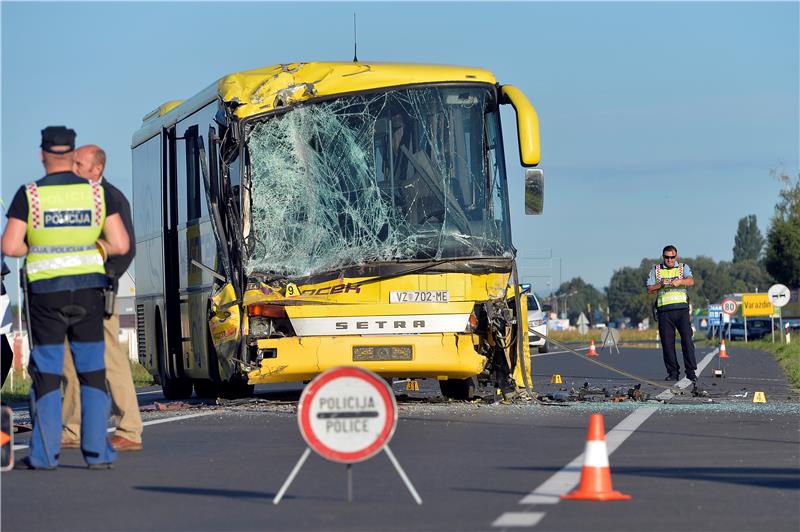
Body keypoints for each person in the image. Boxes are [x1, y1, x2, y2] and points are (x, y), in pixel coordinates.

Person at [2, 126, 129, 469]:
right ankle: (96, 452)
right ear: (73, 155)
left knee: (47, 372)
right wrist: (92, 248)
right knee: (92, 370)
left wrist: (37, 246)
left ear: (42, 155)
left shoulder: (30, 195)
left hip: (46, 296)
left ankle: (44, 455)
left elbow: (10, 246)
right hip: (88, 293)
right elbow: (120, 244)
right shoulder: (98, 195)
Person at [60, 145, 142, 452]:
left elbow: (126, 248)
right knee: (69, 362)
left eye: (79, 163)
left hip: (96, 293)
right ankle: (72, 429)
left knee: (109, 360)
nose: (73, 167)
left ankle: (130, 429)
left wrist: (104, 280)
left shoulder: (111, 198)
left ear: (97, 169)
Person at [646, 245, 697, 382]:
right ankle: (673, 373)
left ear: (676, 256)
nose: (669, 260)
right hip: (664, 311)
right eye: (667, 257)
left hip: (681, 310)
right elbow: (649, 289)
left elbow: (691, 281)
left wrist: (680, 281)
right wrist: (661, 284)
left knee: (687, 340)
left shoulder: (682, 268)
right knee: (667, 344)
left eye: (672, 257)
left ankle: (691, 371)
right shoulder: (656, 270)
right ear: (663, 257)